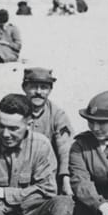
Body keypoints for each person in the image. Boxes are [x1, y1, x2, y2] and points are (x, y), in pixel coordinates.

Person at [22, 67, 74, 195]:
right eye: (33, 87)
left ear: (50, 90)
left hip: (48, 177)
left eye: (44, 87)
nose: (38, 92)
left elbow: (65, 149)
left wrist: (66, 181)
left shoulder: (58, 115)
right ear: (24, 87)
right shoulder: (12, 111)